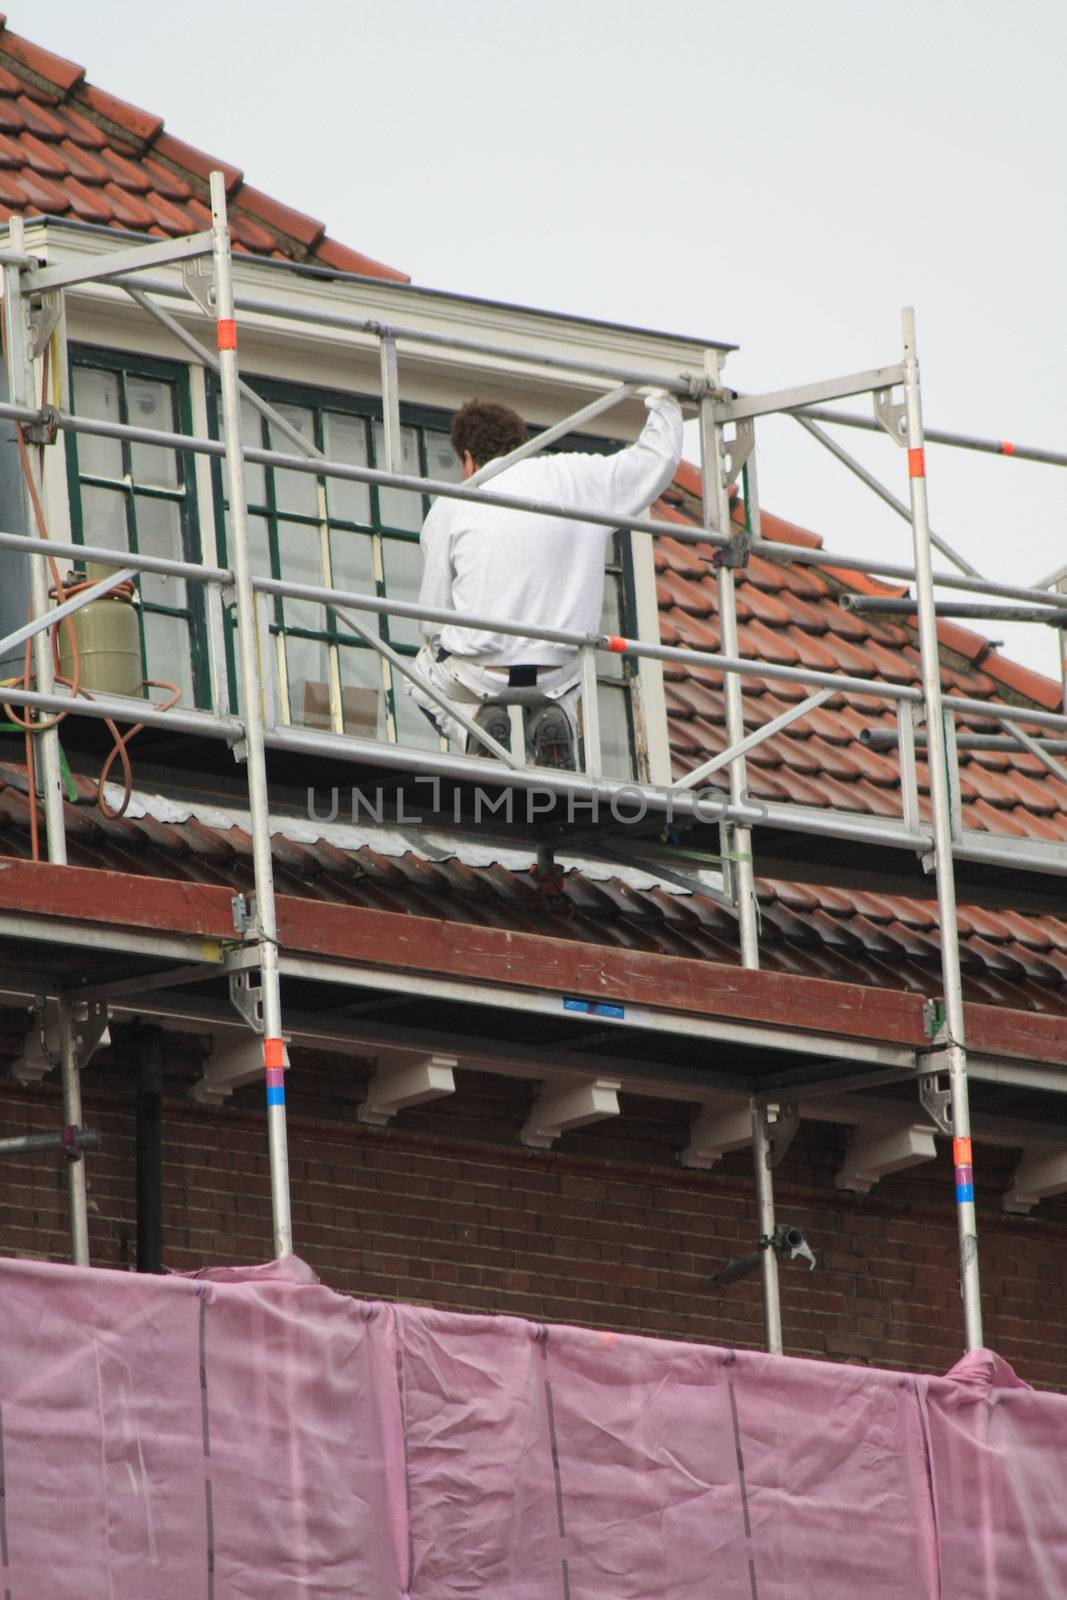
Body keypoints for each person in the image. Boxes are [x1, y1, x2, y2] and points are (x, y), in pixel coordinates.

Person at [406, 388, 683, 768]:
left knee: (420, 675)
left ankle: (476, 728)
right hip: (558, 671)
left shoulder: (451, 503)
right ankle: (558, 720)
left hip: (481, 675)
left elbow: (432, 618)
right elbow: (654, 461)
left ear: (468, 458)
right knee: (577, 665)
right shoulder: (576, 477)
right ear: (522, 443)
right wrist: (664, 401)